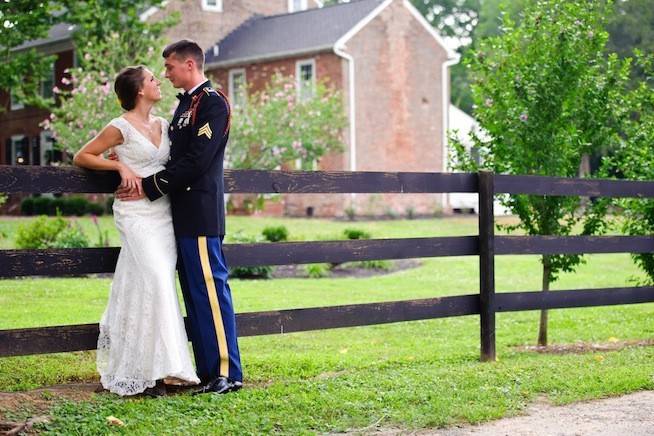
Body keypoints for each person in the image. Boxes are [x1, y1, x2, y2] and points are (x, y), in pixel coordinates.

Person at [115, 40, 243, 395]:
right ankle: (207, 372)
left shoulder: (213, 103)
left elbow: (198, 161)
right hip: (178, 215)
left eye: (170, 67)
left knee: (212, 292)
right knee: (195, 295)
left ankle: (227, 374)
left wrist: (149, 185)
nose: (167, 73)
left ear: (189, 65)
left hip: (200, 212)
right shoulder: (185, 105)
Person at [73, 66, 200, 397]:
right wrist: (118, 165)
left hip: (163, 212)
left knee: (151, 285)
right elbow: (83, 155)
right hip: (134, 214)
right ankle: (152, 369)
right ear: (140, 90)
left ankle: (161, 370)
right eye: (153, 79)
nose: (159, 82)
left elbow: (176, 164)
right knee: (156, 278)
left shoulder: (163, 125)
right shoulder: (119, 127)